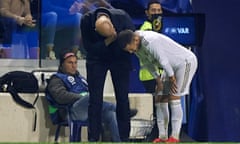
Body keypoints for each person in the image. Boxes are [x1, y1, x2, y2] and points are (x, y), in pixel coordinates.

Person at [117, 29, 198, 143]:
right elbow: (147, 63)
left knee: (174, 96)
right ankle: (163, 137)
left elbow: (162, 59)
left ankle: (174, 137)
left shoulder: (150, 40)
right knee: (160, 98)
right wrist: (158, 80)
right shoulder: (137, 46)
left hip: (185, 63)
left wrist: (171, 77)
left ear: (135, 40)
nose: (131, 52)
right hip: (170, 67)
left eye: (130, 49)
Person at [80, 7, 135, 141]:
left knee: (122, 98)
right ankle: (93, 138)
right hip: (97, 59)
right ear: (96, 29)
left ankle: (124, 138)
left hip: (120, 58)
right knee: (95, 99)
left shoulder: (123, 17)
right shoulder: (86, 21)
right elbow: (90, 49)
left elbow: (131, 42)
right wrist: (108, 40)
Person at [46, 49, 121, 142]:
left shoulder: (81, 79)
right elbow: (60, 96)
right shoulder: (56, 79)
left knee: (110, 115)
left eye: (75, 63)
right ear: (62, 65)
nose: (74, 66)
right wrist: (81, 97)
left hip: (89, 110)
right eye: (70, 63)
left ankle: (119, 141)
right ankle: (119, 109)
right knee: (92, 97)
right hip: (70, 111)